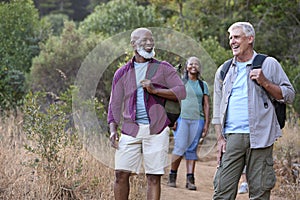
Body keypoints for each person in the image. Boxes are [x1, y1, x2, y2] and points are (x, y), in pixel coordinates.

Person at [212, 22, 295, 199]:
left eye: (236, 37)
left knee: (260, 192)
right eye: (230, 38)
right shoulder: (224, 70)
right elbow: (217, 108)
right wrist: (219, 138)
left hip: (261, 137)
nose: (232, 42)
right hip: (232, 137)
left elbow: (289, 95)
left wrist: (265, 82)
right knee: (222, 191)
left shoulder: (268, 64)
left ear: (250, 39)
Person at [107, 27, 186, 200]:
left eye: (151, 40)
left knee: (153, 176)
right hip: (130, 129)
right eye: (144, 41)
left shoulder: (163, 68)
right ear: (133, 44)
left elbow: (181, 92)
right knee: (120, 174)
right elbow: (114, 103)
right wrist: (113, 129)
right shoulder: (121, 73)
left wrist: (155, 90)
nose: (149, 44)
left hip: (157, 129)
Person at [167, 56, 210, 190]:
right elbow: (173, 101)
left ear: (199, 68)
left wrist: (206, 124)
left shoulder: (203, 85)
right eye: (191, 64)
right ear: (186, 67)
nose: (193, 66)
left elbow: (206, 105)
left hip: (198, 120)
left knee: (192, 149)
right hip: (182, 119)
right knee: (179, 147)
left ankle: (190, 179)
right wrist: (172, 120)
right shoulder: (181, 83)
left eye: (196, 64)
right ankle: (172, 175)